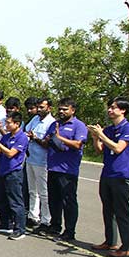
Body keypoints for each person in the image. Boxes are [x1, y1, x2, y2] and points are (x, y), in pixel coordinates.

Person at [88, 96, 129, 257]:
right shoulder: (109, 129)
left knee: (122, 212)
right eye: (109, 107)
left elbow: (118, 148)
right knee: (107, 210)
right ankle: (110, 241)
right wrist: (96, 138)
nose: (110, 110)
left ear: (123, 110)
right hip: (107, 174)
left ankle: (126, 247)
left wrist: (101, 135)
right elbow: (99, 150)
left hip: (122, 176)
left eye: (114, 107)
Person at [40, 97, 87, 242]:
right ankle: (55, 226)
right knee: (54, 200)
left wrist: (60, 137)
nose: (61, 111)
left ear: (73, 110)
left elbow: (78, 144)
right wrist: (48, 140)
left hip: (68, 170)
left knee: (68, 201)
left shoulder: (79, 126)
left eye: (65, 109)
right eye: (60, 109)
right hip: (53, 167)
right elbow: (48, 141)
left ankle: (69, 232)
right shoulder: (55, 124)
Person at [0, 111, 28, 240]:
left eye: (8, 123)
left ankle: (20, 229)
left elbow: (10, 153)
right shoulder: (7, 136)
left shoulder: (22, 137)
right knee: (2, 200)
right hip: (2, 171)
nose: (6, 125)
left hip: (13, 172)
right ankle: (5, 223)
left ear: (17, 123)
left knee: (15, 202)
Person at [23, 98, 54, 233]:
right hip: (31, 159)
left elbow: (47, 143)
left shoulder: (51, 123)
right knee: (32, 190)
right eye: (38, 107)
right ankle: (32, 216)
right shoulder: (35, 119)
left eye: (42, 107)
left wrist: (34, 137)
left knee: (44, 192)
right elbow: (26, 132)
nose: (39, 109)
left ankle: (46, 220)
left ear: (49, 108)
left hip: (42, 161)